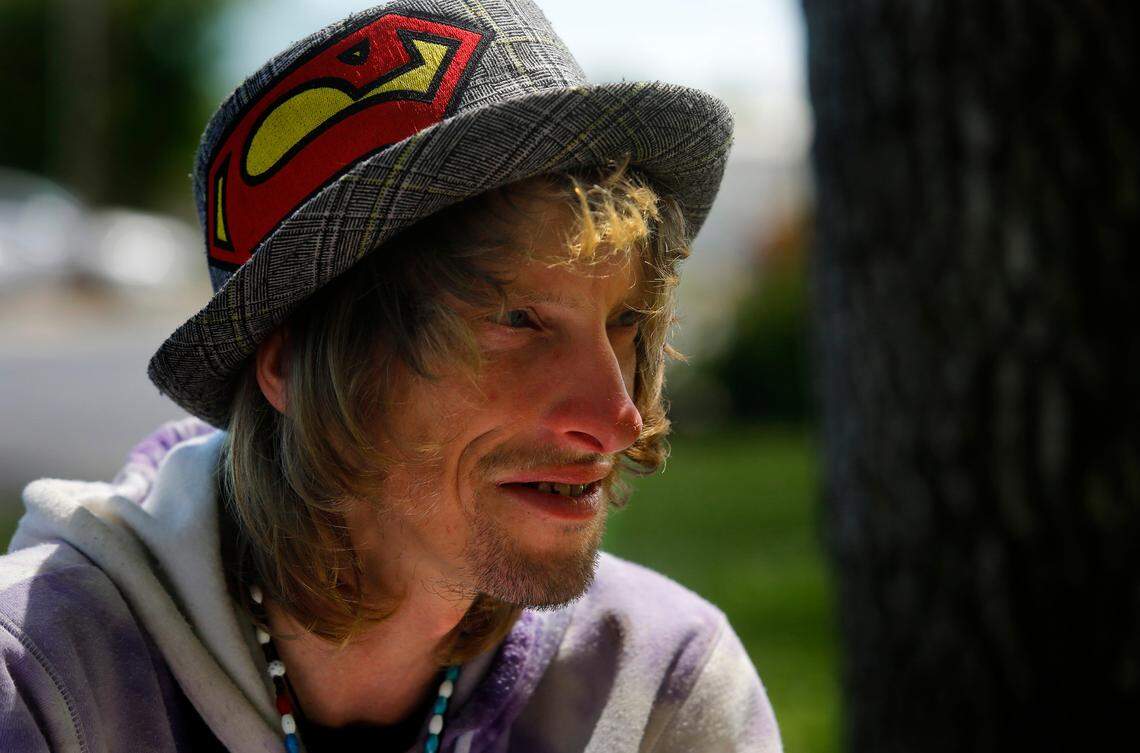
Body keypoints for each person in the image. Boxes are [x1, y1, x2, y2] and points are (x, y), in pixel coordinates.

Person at [0, 0, 782, 751]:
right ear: (292, 363)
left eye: (623, 324)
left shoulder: (657, 684)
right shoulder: (41, 682)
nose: (617, 416)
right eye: (519, 321)